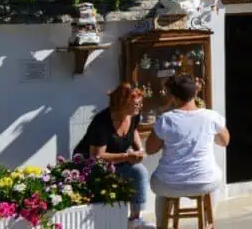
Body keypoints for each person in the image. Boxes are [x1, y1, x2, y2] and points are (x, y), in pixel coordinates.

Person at [145, 73, 229, 228]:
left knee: (160, 185)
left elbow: (150, 149)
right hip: (204, 182)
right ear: (195, 93)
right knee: (214, 177)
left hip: (169, 184)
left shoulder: (166, 119)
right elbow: (224, 141)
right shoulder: (211, 116)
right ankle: (208, 221)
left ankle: (162, 225)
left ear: (174, 97)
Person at [74, 83, 151, 228]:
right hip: (90, 166)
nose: (139, 107)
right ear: (123, 102)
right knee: (136, 172)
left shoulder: (133, 116)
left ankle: (135, 218)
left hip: (116, 160)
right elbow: (97, 156)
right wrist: (127, 157)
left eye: (140, 103)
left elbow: (133, 131)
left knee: (140, 171)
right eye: (135, 104)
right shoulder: (102, 121)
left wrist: (139, 149)